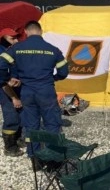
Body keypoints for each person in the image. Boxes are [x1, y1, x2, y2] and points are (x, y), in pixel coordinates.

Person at [0, 21, 69, 157]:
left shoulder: (16, 49)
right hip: (46, 91)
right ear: (41, 31)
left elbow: (1, 66)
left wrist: (7, 79)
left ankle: (35, 158)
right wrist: (52, 79)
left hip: (27, 92)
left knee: (31, 126)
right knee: (52, 125)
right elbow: (64, 72)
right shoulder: (53, 49)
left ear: (26, 31)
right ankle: (52, 158)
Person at [0, 28, 24, 156]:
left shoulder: (14, 50)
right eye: (12, 38)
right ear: (3, 38)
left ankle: (18, 138)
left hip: (16, 86)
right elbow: (2, 78)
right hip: (4, 88)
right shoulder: (1, 52)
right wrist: (14, 97)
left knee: (21, 112)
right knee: (11, 116)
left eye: (16, 37)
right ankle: (9, 146)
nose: (16, 40)